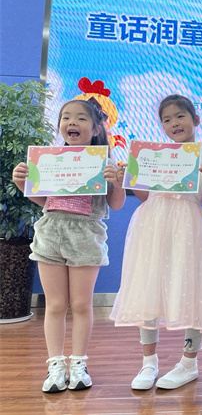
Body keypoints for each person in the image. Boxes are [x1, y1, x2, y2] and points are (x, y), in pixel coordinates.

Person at [110, 95, 202, 390]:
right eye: (167, 119)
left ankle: (189, 362)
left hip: (189, 227)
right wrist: (130, 179)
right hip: (152, 225)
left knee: (193, 290)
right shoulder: (152, 155)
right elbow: (145, 196)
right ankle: (149, 362)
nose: (174, 123)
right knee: (148, 288)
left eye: (180, 116)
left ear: (196, 119)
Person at [12, 99, 126, 393]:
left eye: (81, 118)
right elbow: (45, 201)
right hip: (51, 231)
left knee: (81, 304)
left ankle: (78, 363)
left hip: (86, 234)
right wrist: (23, 184)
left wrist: (117, 183)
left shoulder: (105, 163)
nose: (72, 122)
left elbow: (115, 204)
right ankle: (55, 365)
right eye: (66, 117)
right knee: (55, 305)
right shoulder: (49, 160)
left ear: (96, 128)